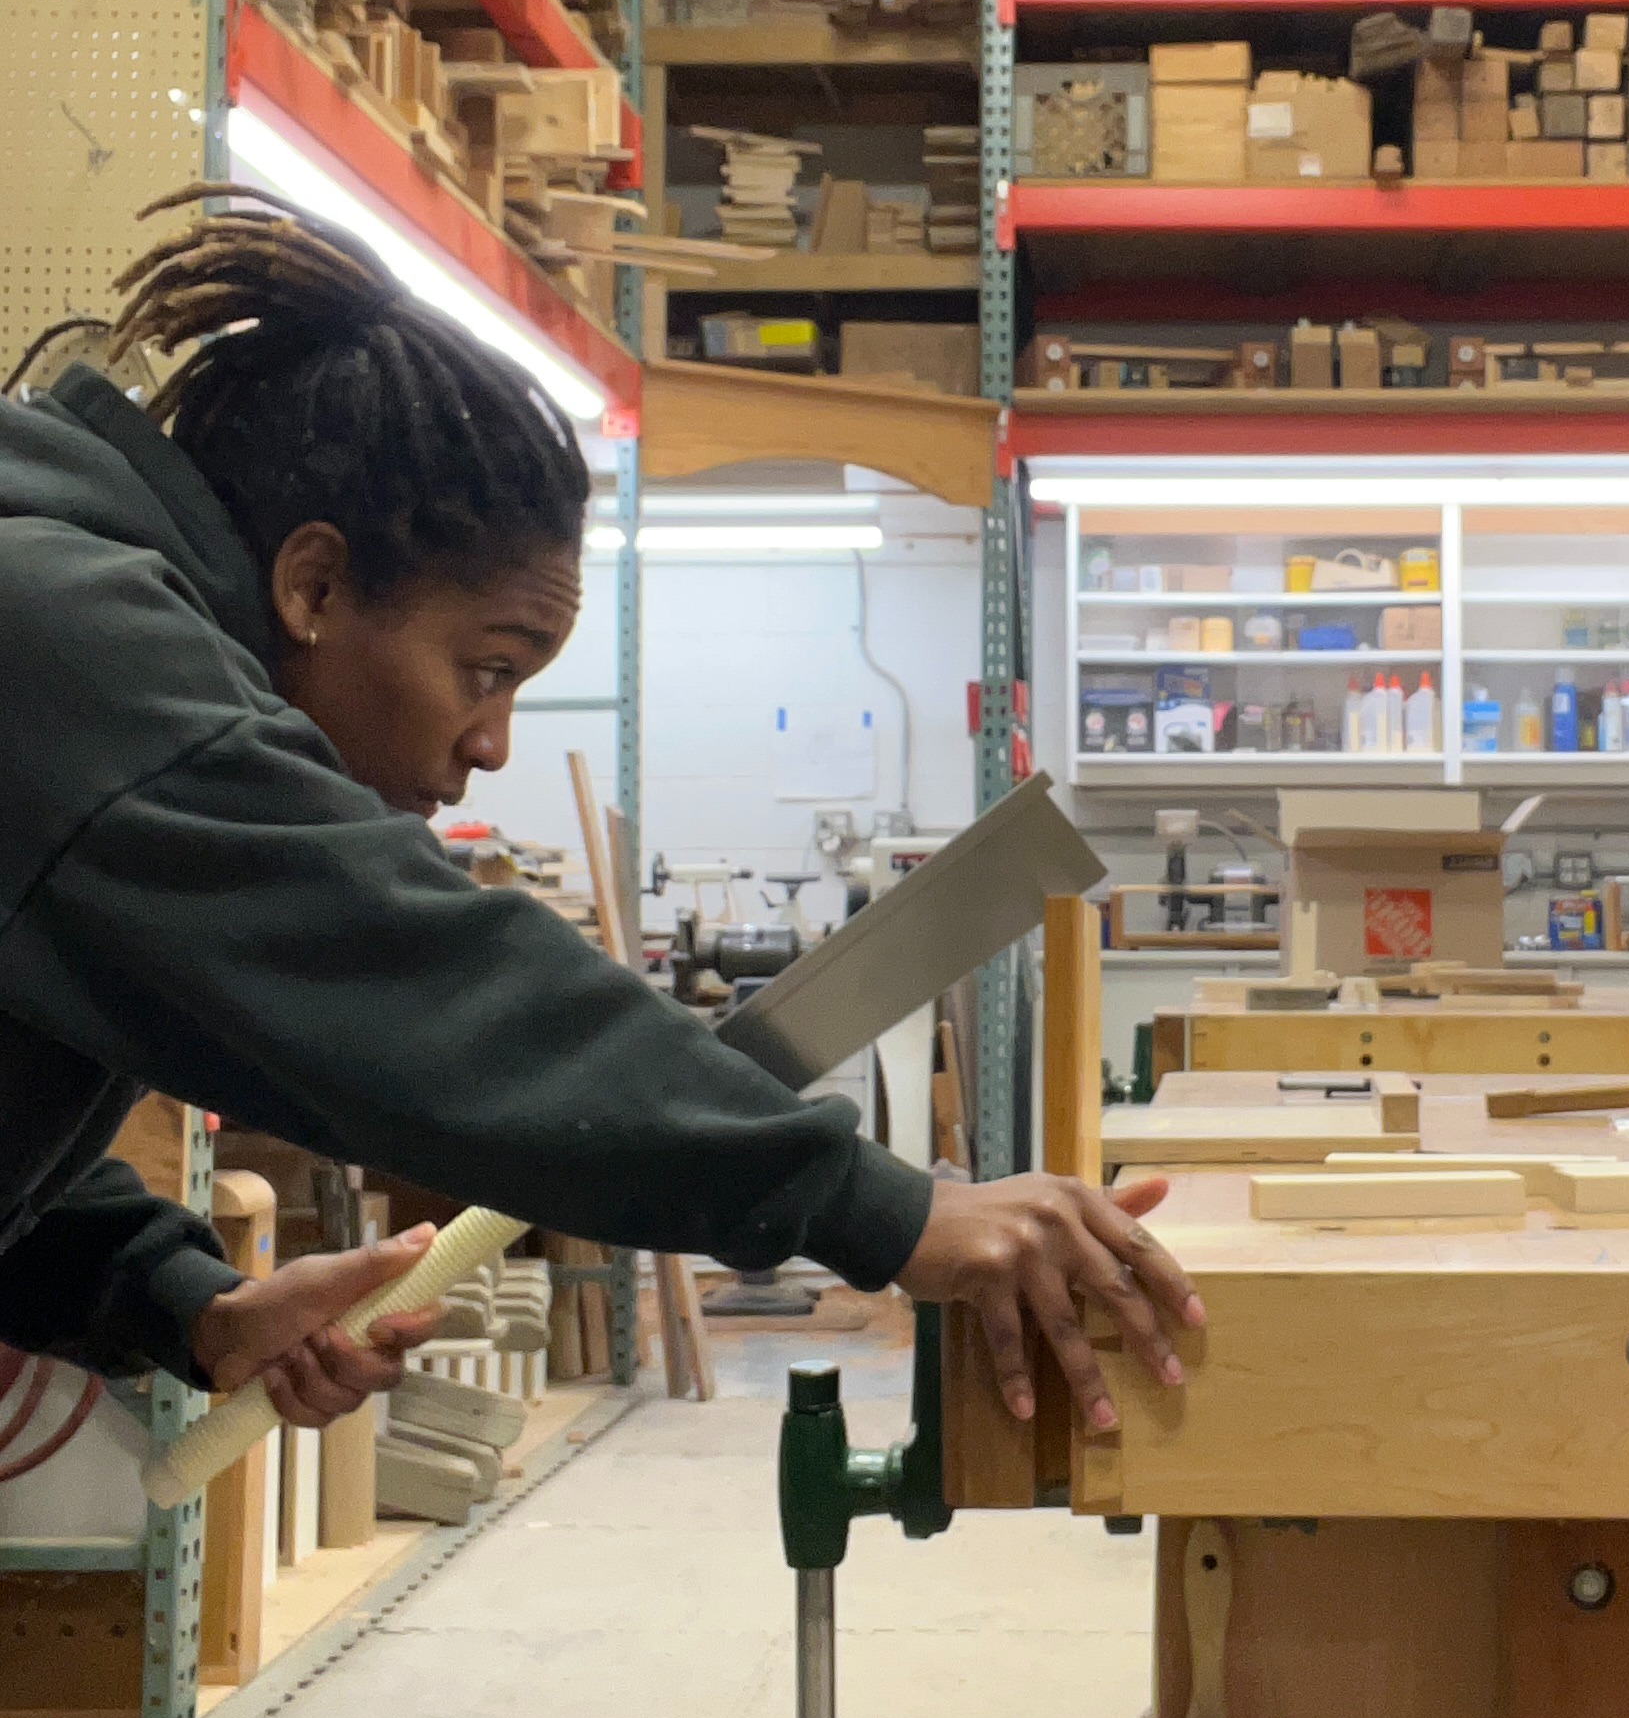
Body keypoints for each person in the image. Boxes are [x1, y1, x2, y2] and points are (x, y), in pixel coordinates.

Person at [0, 191, 1197, 1433]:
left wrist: (184, 1301)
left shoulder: (73, 637)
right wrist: (887, 1208)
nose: (493, 743)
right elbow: (431, 993)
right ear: (315, 586)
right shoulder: (69, 635)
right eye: (486, 668)